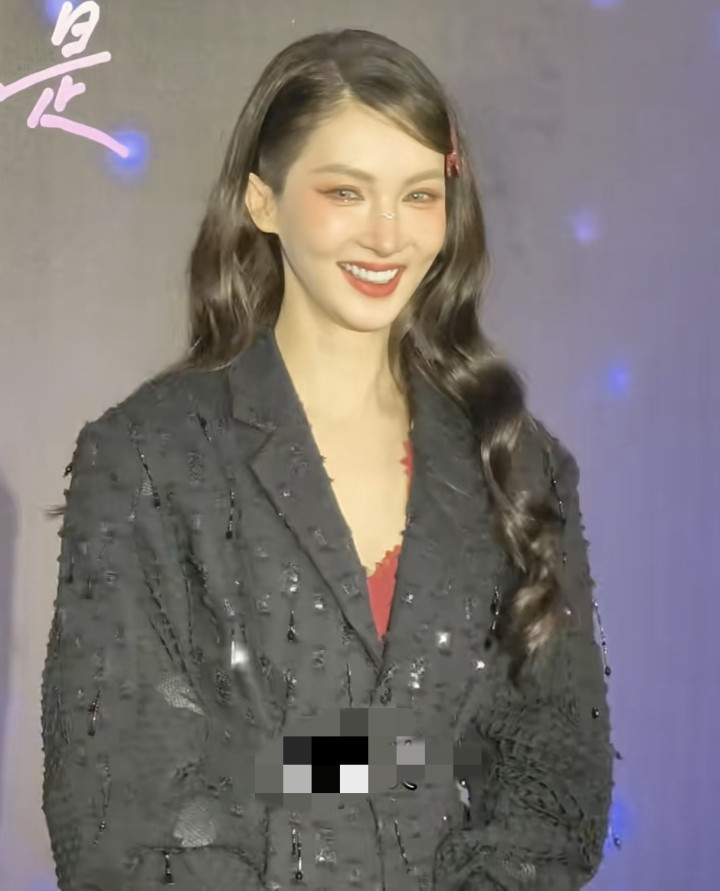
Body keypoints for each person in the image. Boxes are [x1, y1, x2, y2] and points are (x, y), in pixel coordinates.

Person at [41, 27, 614, 891]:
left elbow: (554, 773)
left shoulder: (519, 464)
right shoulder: (146, 458)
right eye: (346, 191)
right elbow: (121, 796)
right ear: (262, 201)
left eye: (419, 195)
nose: (387, 235)